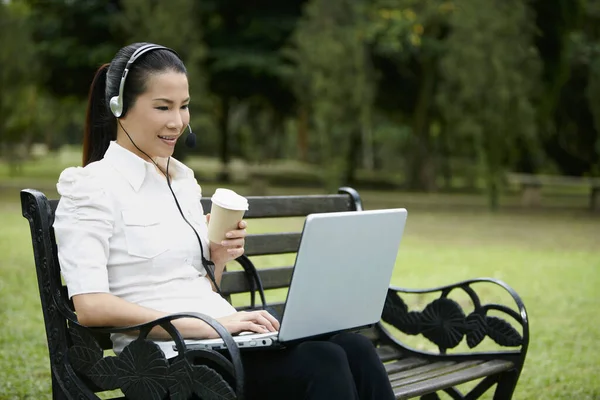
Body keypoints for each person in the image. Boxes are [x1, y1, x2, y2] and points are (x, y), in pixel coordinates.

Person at [53, 42, 395, 400]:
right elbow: (91, 307)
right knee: (322, 361)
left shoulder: (180, 182)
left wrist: (216, 258)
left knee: (356, 350)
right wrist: (209, 325)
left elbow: (196, 287)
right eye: (162, 107)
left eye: (184, 107)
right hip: (170, 364)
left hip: (220, 341)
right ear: (118, 107)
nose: (177, 122)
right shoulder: (91, 188)